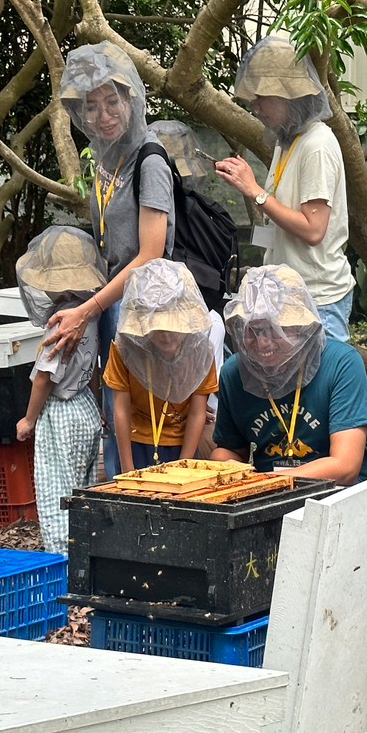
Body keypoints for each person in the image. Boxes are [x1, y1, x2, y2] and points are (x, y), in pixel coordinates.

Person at [44, 42, 174, 475]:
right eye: (92, 107)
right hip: (110, 301)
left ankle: (142, 501)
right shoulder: (106, 160)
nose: (103, 115)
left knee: (138, 417)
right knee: (114, 409)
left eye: (112, 101)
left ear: (131, 99)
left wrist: (89, 308)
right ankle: (116, 495)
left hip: (142, 308)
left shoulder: (149, 159)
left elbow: (151, 255)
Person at [213, 38, 353, 342]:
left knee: (321, 384)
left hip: (318, 297)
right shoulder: (286, 140)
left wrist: (255, 193)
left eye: (263, 96)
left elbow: (314, 229)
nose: (255, 106)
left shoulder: (317, 145)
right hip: (287, 292)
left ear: (289, 96)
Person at [212, 266, 367, 484]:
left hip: (339, 494)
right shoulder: (234, 372)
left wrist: (265, 481)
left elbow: (345, 466)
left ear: (301, 328)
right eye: (251, 330)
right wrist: (225, 466)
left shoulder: (341, 362)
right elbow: (230, 449)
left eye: (275, 330)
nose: (262, 342)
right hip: (267, 494)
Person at [14, 226, 106, 554]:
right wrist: (98, 406)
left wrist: (28, 420)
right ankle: (86, 555)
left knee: (58, 495)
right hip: (85, 408)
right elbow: (94, 369)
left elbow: (44, 378)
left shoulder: (60, 320)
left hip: (61, 413)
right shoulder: (92, 315)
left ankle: (63, 561)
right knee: (83, 488)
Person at [102, 260, 219, 472]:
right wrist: (128, 470)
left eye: (173, 326)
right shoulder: (124, 348)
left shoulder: (201, 352)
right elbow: (120, 409)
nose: (166, 335)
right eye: (158, 327)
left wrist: (185, 465)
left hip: (182, 444)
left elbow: (197, 413)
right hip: (135, 442)